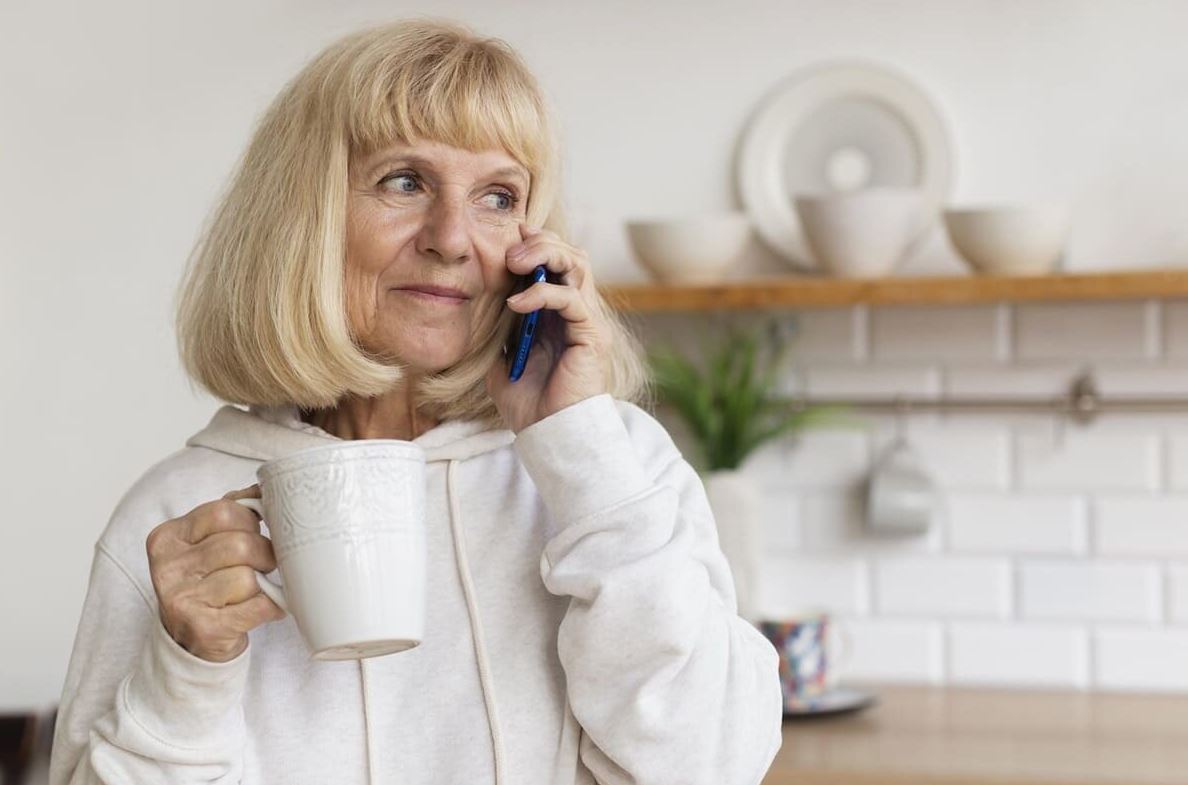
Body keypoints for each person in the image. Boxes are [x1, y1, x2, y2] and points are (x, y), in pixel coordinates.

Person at [49, 18, 783, 785]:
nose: (452, 237)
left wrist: (579, 448)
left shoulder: (613, 469)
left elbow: (712, 765)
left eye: (498, 196)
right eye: (405, 180)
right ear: (304, 216)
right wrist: (187, 673)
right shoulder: (180, 518)